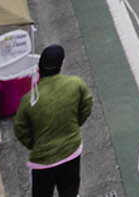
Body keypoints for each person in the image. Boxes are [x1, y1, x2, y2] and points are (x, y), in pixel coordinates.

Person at [11, 45, 91, 197]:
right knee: (70, 192)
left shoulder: (29, 99)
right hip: (71, 151)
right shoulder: (76, 84)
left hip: (42, 160)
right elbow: (86, 104)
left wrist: (34, 144)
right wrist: (75, 124)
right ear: (61, 64)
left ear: (39, 67)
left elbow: (20, 129)